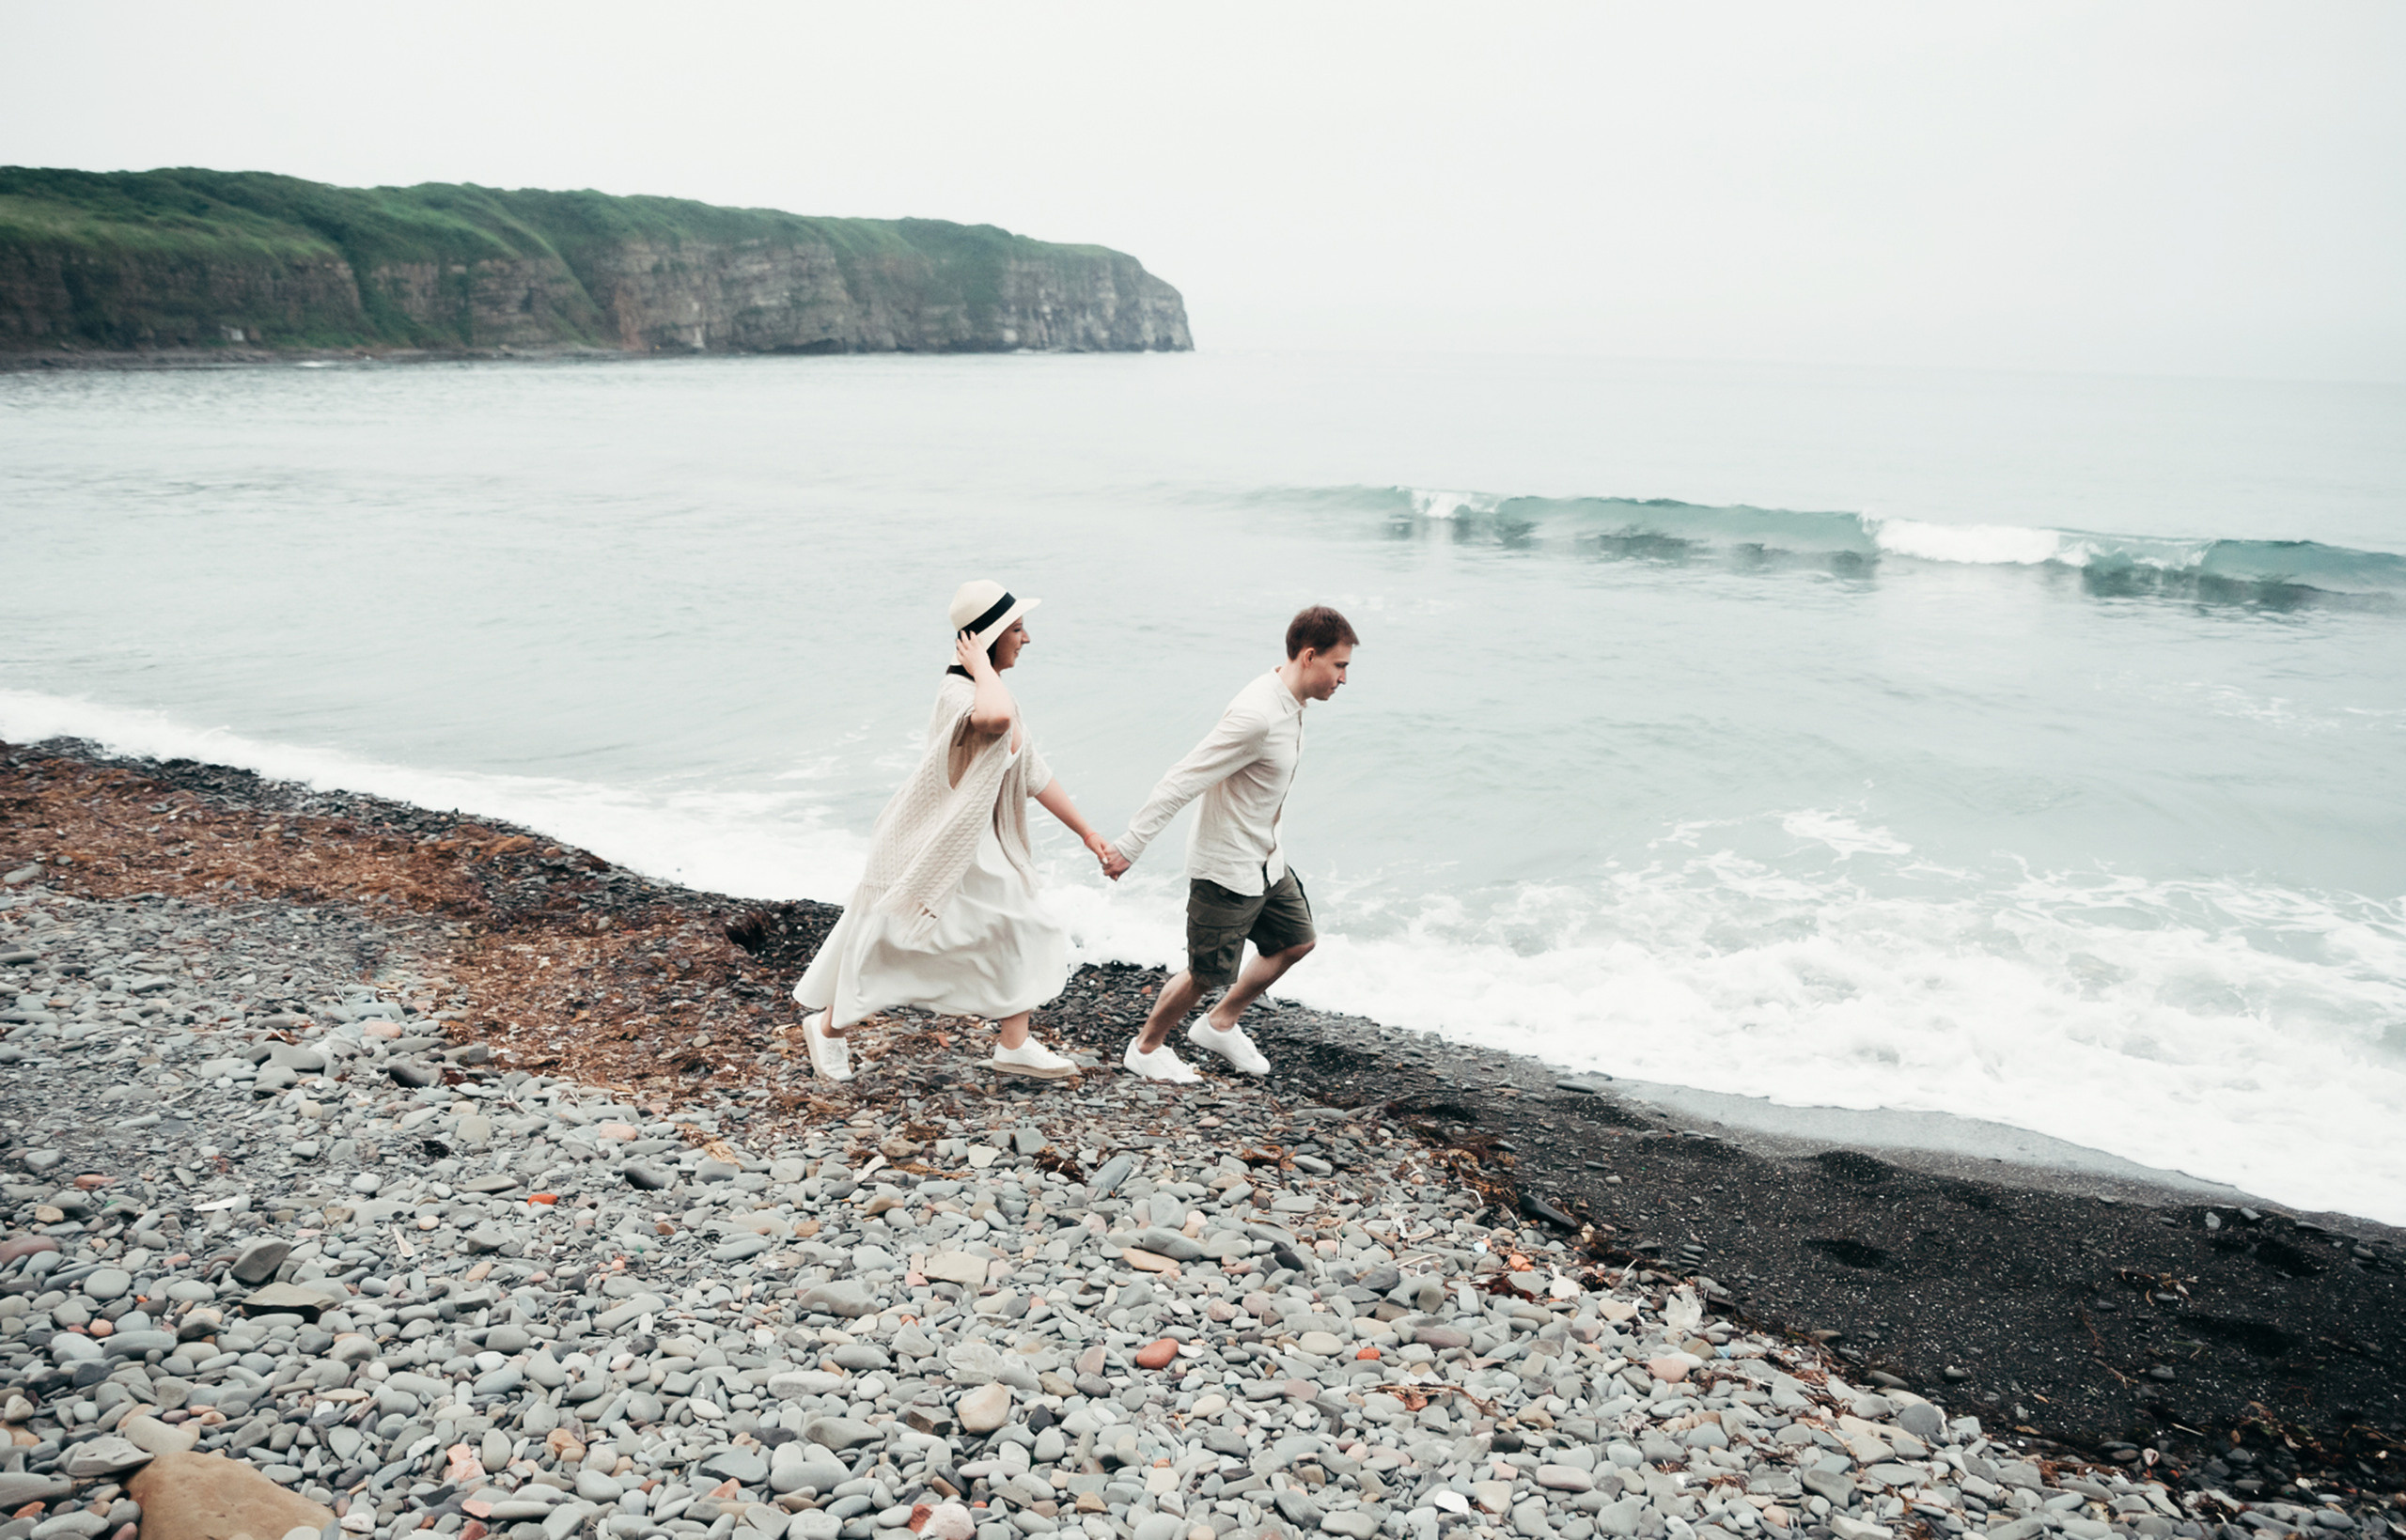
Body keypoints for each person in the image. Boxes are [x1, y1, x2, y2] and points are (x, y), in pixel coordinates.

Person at [791, 580, 1123, 1082]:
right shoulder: (960, 692)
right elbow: (992, 720)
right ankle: (829, 1028)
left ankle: (1014, 1043)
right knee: (893, 943)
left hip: (980, 847)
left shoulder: (992, 689)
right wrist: (983, 669)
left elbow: (1031, 770)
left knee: (1025, 927)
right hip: (934, 846)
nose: (1026, 638)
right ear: (989, 638)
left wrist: (1086, 832)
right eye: (1017, 629)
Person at [1105, 604, 1357, 1082]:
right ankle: (1146, 1047)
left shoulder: (1290, 703)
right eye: (1339, 665)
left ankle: (1219, 1024)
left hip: (1267, 860)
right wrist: (1129, 847)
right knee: (1206, 972)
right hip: (1227, 868)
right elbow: (1183, 778)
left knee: (1296, 941)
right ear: (1309, 656)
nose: (1343, 678)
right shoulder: (1257, 716)